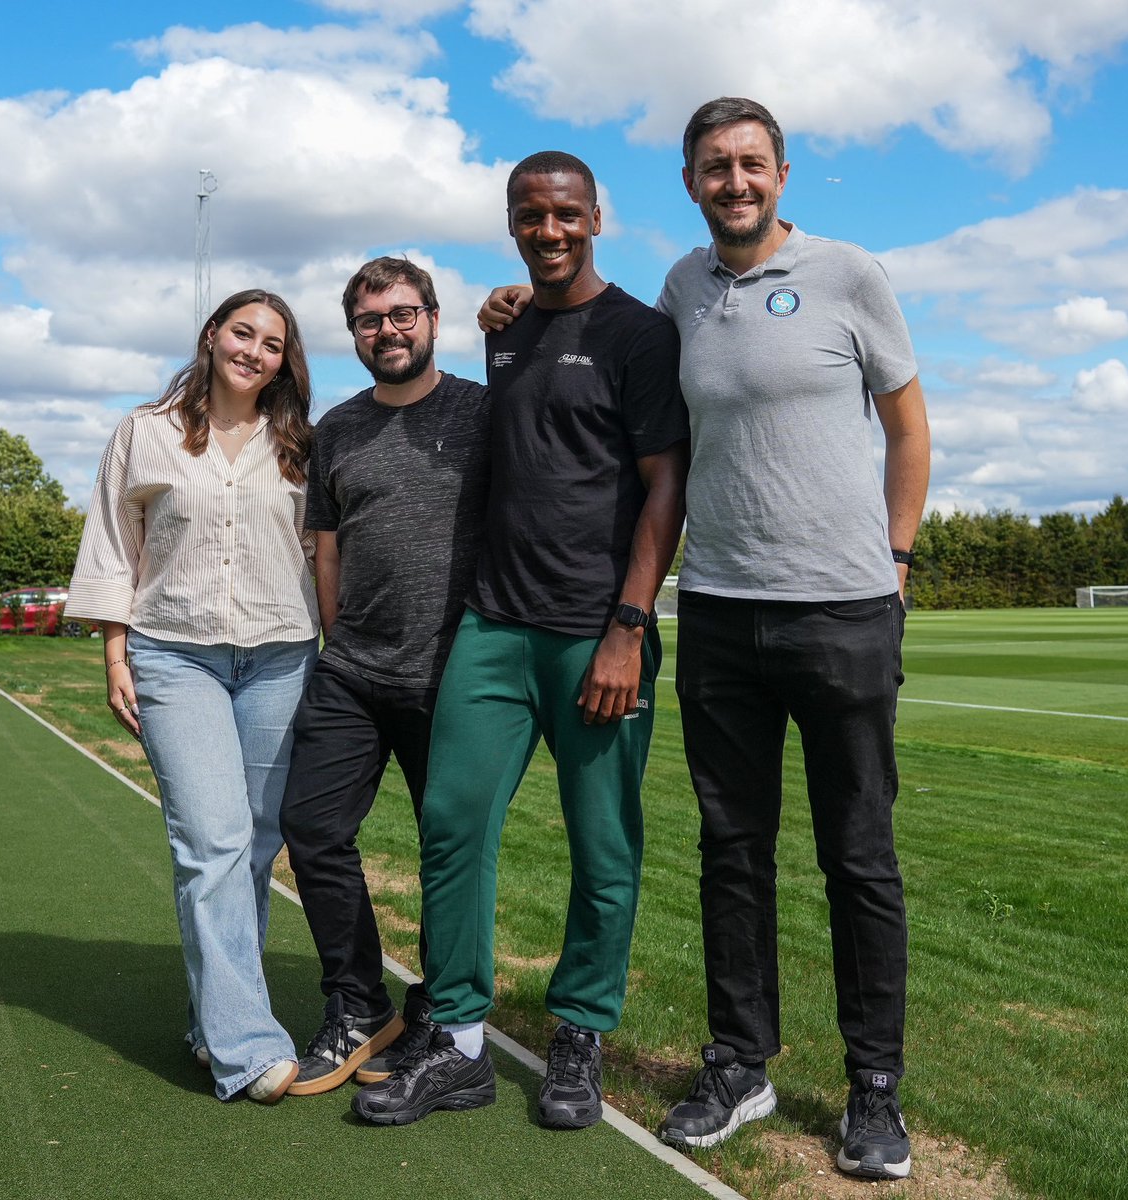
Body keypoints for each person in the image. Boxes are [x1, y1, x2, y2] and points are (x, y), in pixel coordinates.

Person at [478, 99, 930, 1181]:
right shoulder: (681, 291)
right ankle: (740, 1061)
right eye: (715, 167)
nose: (735, 181)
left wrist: (898, 568)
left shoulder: (851, 274)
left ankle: (875, 1089)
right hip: (720, 611)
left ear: (781, 171)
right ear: (688, 182)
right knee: (732, 852)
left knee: (858, 856)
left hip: (844, 609)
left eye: (751, 163)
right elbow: (594, 329)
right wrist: (514, 306)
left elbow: (909, 426)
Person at [351, 151, 689, 1131]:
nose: (549, 230)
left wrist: (629, 629)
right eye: (530, 216)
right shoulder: (504, 331)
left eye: (565, 214)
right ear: (511, 224)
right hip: (493, 629)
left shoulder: (641, 335)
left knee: (603, 844)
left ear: (596, 216)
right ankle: (455, 1039)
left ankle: (580, 1030)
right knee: (453, 823)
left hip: (597, 634)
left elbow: (666, 484)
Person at [64, 290, 321, 1105]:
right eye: (242, 332)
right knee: (211, 840)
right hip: (175, 656)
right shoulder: (144, 431)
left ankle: (213, 1022)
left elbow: (325, 549)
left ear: (286, 359)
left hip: (282, 655)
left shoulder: (302, 443)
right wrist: (115, 652)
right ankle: (249, 1049)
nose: (254, 351)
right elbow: (111, 538)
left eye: (272, 343)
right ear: (211, 337)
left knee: (251, 846)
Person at [278, 257, 490, 1097]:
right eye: (370, 320)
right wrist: (339, 641)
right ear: (354, 333)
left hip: (459, 675)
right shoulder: (337, 428)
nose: (388, 330)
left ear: (434, 319)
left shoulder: (483, 412)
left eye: (403, 314)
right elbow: (326, 546)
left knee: (451, 851)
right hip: (355, 672)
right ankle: (357, 1004)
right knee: (312, 827)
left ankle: (441, 1012)